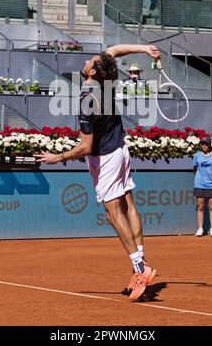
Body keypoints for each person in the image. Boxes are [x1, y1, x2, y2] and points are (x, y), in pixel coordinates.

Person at [35, 44, 160, 301]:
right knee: (128, 205)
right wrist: (145, 49)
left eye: (90, 61)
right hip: (121, 149)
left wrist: (58, 157)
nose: (87, 61)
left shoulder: (86, 100)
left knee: (114, 214)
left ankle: (139, 268)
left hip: (105, 158)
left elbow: (85, 146)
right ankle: (141, 263)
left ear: (93, 72)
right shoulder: (108, 78)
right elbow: (113, 52)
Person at [193, 137, 212, 237]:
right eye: (202, 144)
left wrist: (211, 177)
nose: (204, 145)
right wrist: (199, 178)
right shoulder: (197, 155)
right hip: (199, 184)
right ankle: (200, 228)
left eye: (206, 144)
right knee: (201, 206)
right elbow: (194, 168)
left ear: (209, 145)